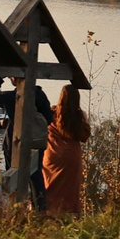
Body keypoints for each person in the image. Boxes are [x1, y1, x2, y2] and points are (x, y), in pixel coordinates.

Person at [44, 84, 91, 215]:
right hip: (71, 156)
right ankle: (69, 215)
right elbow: (84, 137)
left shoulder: (51, 112)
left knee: (48, 184)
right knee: (70, 189)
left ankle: (45, 212)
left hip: (52, 153)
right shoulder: (79, 116)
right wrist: (85, 121)